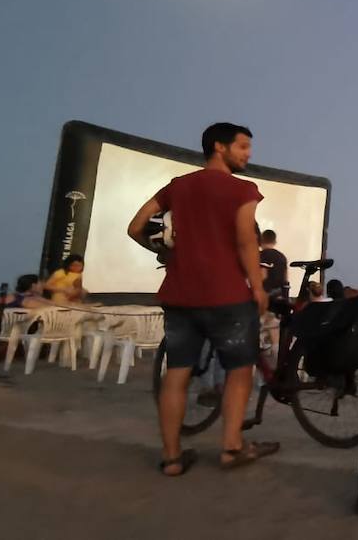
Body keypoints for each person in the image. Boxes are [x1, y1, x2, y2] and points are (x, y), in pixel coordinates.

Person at [126, 122, 278, 478]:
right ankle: (231, 448)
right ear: (220, 148)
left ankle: (172, 458)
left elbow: (135, 226)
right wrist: (257, 287)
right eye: (242, 147)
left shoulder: (178, 186)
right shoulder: (242, 189)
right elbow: (245, 240)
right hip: (227, 296)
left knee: (176, 374)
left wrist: (163, 252)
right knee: (240, 372)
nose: (248, 154)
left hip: (179, 296)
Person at [258, 230, 289, 295]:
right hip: (280, 291)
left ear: (261, 241)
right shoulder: (282, 256)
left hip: (268, 292)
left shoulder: (262, 255)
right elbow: (285, 277)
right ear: (275, 242)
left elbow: (263, 276)